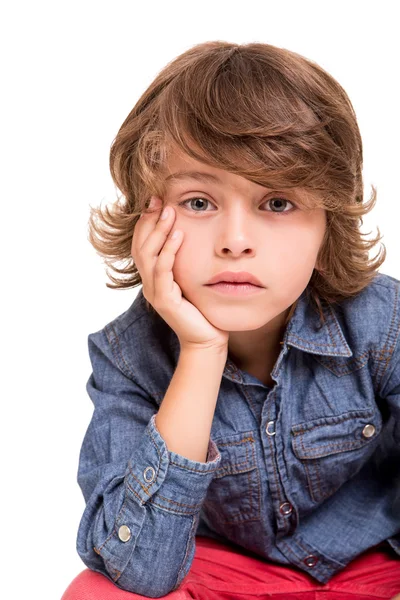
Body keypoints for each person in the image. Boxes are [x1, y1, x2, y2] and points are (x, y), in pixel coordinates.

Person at [62, 41, 400, 599]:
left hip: (373, 567)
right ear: (145, 219)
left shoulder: (383, 325)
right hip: (223, 575)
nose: (235, 242)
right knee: (96, 594)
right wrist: (200, 352)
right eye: (199, 202)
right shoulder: (128, 356)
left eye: (277, 203)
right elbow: (138, 567)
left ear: (327, 228)